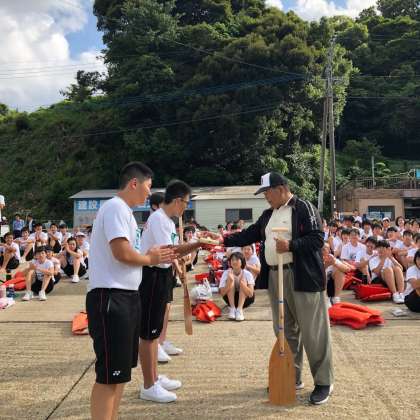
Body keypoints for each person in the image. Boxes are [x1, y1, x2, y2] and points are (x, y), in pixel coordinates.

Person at [215, 172, 333, 405]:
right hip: (275, 276)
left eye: (267, 192)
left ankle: (323, 382)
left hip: (303, 277)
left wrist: (291, 245)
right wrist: (223, 240)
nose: (266, 197)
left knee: (313, 331)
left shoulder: (304, 208)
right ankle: (291, 376)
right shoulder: (269, 214)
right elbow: (250, 233)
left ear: (280, 188)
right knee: (284, 329)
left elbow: (317, 238)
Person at [86, 161, 175, 420]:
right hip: (111, 297)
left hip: (125, 296)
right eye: (148, 187)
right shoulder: (115, 207)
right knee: (109, 375)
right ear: (134, 183)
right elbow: (121, 252)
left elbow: (129, 252)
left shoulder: (124, 212)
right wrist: (150, 259)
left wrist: (149, 255)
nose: (150, 194)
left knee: (120, 374)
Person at [139, 180, 201, 403]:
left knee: (154, 333)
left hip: (162, 274)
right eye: (186, 203)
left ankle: (154, 378)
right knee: (148, 334)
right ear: (177, 201)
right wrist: (199, 243)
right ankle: (148, 385)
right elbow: (171, 250)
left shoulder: (165, 220)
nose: (186, 207)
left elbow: (171, 253)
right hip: (152, 276)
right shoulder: (159, 219)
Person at [219, 252, 255, 320]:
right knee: (230, 281)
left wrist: (243, 285)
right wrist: (229, 282)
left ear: (242, 261)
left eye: (237, 260)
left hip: (245, 299)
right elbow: (222, 293)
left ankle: (239, 310)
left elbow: (251, 294)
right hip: (230, 300)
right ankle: (232, 309)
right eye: (232, 260)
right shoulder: (226, 273)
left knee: (243, 281)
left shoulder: (247, 274)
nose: (234, 262)